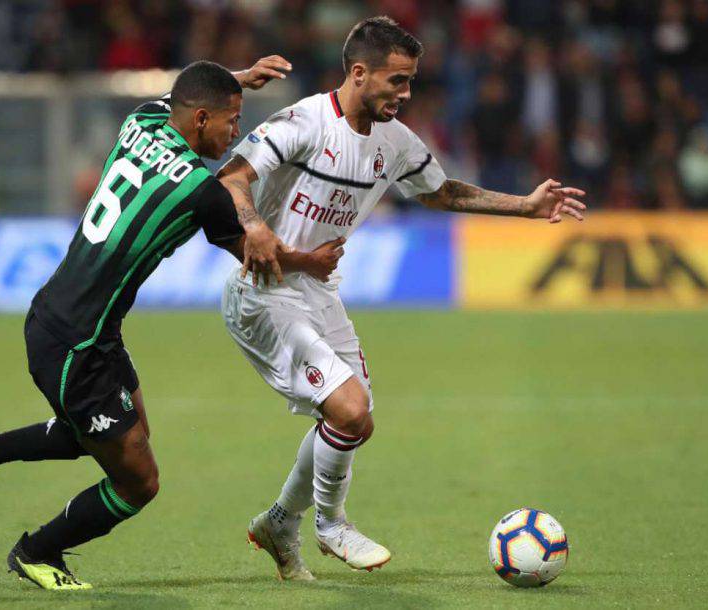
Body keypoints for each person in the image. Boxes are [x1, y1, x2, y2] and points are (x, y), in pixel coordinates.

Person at [0, 57, 344, 591]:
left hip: (73, 322)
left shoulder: (141, 122)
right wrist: (310, 261)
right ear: (201, 118)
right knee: (138, 482)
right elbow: (259, 257)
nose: (236, 131)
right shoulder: (200, 192)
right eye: (231, 119)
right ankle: (37, 551)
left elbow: (178, 93)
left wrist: (234, 79)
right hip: (75, 346)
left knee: (120, 434)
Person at [217, 16, 586, 581]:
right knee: (348, 410)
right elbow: (232, 177)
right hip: (264, 292)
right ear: (359, 73)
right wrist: (254, 225)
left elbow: (442, 192)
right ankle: (331, 524)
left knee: (354, 423)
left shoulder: (395, 142)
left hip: (319, 289)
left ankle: (278, 522)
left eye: (411, 82)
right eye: (397, 81)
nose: (405, 94)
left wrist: (526, 207)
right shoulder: (302, 123)